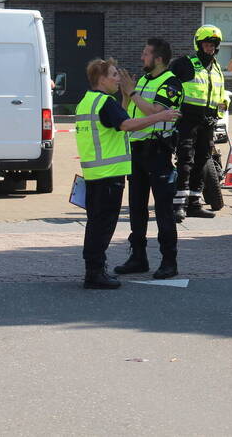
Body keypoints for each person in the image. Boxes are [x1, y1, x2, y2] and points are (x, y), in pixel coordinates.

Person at [76, 57, 180, 289]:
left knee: (95, 224)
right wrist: (160, 117)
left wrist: (124, 97)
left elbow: (116, 122)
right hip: (108, 176)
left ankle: (94, 269)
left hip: (95, 174)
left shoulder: (88, 101)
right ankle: (95, 274)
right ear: (101, 79)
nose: (117, 79)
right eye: (113, 75)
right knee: (102, 227)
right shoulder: (104, 102)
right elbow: (127, 125)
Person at [114, 38, 183, 280]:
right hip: (136, 150)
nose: (142, 57)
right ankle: (138, 257)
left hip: (157, 151)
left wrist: (131, 92)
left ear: (159, 59)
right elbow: (127, 110)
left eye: (146, 54)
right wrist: (125, 94)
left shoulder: (171, 83)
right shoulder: (142, 80)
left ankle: (169, 260)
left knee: (163, 209)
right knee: (136, 207)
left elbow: (155, 112)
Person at [169, 25, 226, 220]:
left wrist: (224, 104)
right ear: (199, 44)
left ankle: (194, 203)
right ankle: (179, 205)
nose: (210, 48)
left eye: (213, 45)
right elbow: (169, 87)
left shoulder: (216, 66)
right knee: (185, 161)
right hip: (188, 120)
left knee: (202, 161)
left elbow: (218, 93)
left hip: (209, 120)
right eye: (207, 44)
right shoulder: (184, 63)